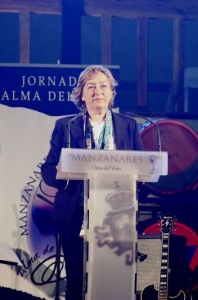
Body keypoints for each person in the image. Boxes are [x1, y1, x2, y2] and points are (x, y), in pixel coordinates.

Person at [41, 65, 144, 300]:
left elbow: (142, 166)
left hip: (116, 215)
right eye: (91, 86)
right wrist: (60, 172)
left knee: (114, 282)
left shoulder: (128, 126)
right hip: (75, 212)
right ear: (81, 94)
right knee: (76, 281)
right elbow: (47, 170)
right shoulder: (66, 126)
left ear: (111, 94)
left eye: (103, 86)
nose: (98, 90)